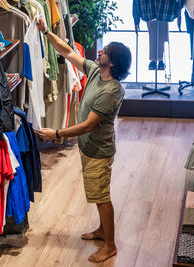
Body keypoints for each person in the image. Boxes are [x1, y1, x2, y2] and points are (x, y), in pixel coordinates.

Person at [36, 18, 131, 263]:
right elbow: (68, 52)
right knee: (97, 193)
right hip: (89, 148)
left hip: (99, 151)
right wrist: (46, 31)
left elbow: (88, 125)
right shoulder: (96, 72)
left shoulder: (110, 91)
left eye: (104, 51)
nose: (98, 51)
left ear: (111, 62)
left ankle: (110, 245)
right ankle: (102, 231)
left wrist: (55, 134)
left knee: (101, 196)